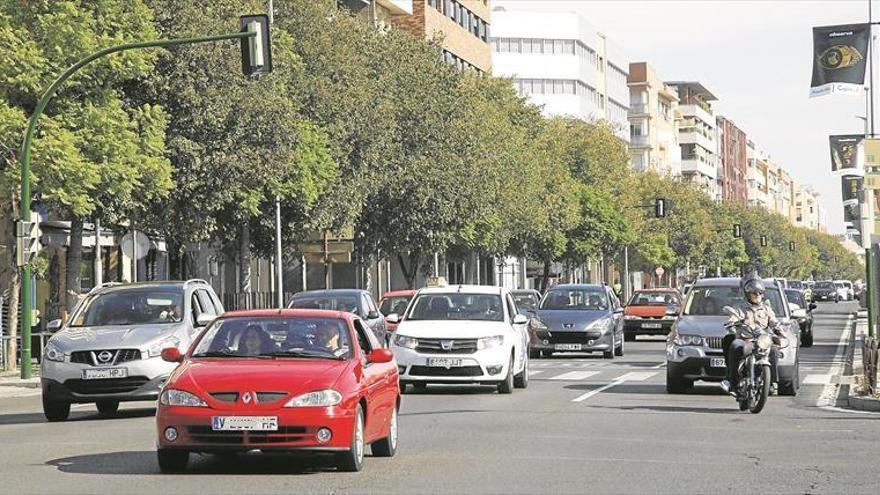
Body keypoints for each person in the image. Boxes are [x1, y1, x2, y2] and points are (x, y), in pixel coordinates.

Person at [721, 274, 783, 396]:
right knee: (735, 346)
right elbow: (733, 316)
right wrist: (732, 322)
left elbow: (774, 321)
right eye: (754, 293)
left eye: (760, 293)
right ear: (748, 294)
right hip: (745, 339)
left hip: (762, 340)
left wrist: (779, 329)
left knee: (774, 351)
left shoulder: (766, 309)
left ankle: (772, 383)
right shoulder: (740, 307)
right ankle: (732, 382)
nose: (757, 295)